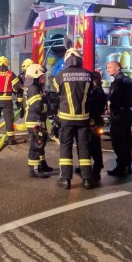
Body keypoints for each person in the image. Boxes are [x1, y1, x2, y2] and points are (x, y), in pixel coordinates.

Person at [53, 48, 94, 189]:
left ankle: (65, 180)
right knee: (83, 147)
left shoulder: (60, 75)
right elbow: (91, 95)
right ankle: (87, 179)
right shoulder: (88, 75)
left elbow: (56, 94)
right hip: (83, 118)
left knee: (66, 147)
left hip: (66, 118)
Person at [106, 60, 132, 177]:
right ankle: (128, 165)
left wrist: (112, 107)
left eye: (109, 67)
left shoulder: (118, 82)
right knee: (127, 140)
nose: (107, 69)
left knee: (117, 141)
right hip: (127, 112)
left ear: (117, 68)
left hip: (119, 115)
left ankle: (121, 167)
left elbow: (113, 98)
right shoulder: (129, 80)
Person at [24, 63, 50, 178]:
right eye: (40, 77)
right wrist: (47, 107)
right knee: (36, 145)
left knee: (40, 144)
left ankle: (42, 165)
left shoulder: (35, 88)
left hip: (38, 121)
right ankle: (34, 170)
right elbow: (36, 107)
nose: (42, 79)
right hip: (34, 121)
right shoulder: (34, 89)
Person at [88, 70, 108, 180]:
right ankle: (94, 167)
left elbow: (94, 108)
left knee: (94, 146)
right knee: (93, 145)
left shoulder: (97, 92)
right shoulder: (97, 91)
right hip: (95, 121)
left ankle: (97, 168)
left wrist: (92, 121)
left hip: (94, 122)